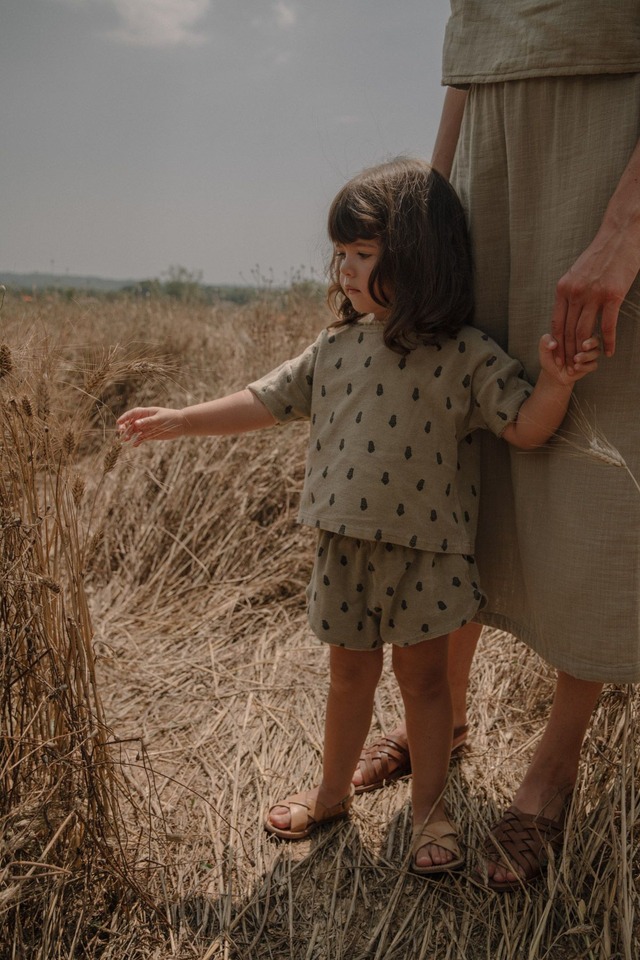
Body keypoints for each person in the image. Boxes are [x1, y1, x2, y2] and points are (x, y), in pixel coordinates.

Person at [117, 157, 599, 875]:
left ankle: (431, 812)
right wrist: (181, 420)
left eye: (363, 254)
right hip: (341, 549)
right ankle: (332, 792)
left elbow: (526, 428)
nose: (343, 269)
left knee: (426, 686)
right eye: (340, 254)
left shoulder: (466, 354)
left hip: (428, 555)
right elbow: (265, 399)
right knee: (347, 679)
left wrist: (557, 381)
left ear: (419, 259)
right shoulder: (335, 347)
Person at [353, 1, 640, 890]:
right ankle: (447, 715)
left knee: (598, 447)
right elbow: (470, 47)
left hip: (612, 143)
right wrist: (426, 212)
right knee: (459, 446)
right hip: (487, 157)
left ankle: (555, 765)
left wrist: (625, 230)